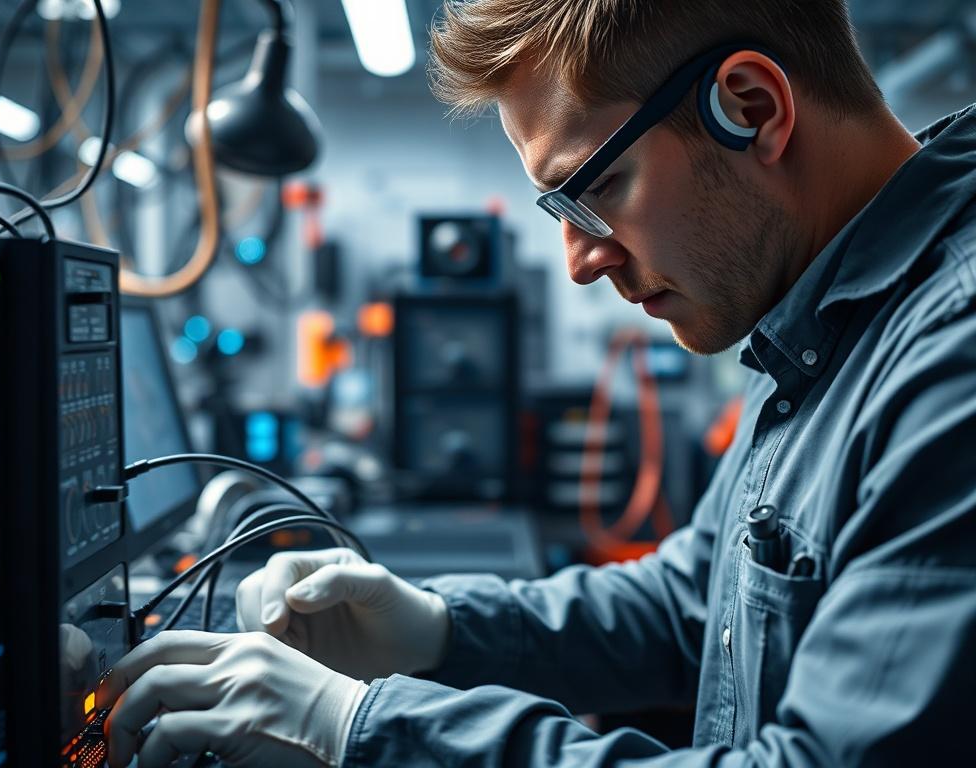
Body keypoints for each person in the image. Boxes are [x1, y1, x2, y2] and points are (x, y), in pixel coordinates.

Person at [97, 0, 976, 765]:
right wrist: (438, 628)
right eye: (559, 211)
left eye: (596, 188)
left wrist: (359, 728)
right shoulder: (822, 316)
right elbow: (695, 603)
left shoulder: (950, 354)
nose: (581, 262)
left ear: (749, 108)